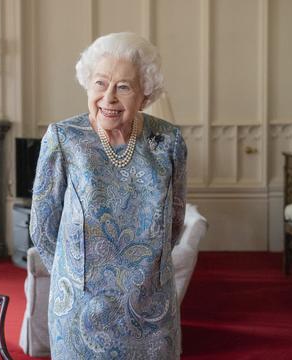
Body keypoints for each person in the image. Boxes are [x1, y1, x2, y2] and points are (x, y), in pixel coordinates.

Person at [29, 32, 187, 359]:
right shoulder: (63, 139)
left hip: (151, 310)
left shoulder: (168, 141)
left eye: (124, 87)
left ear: (145, 95)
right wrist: (73, 276)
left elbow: (175, 219)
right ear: (88, 84)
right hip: (80, 310)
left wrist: (146, 274)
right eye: (100, 83)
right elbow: (43, 228)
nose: (109, 97)